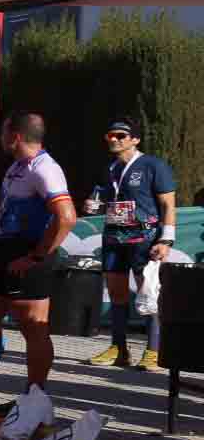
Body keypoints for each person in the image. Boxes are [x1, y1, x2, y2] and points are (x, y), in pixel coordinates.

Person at [0, 111, 77, 410]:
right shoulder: (17, 166)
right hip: (5, 253)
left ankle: (34, 400)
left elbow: (67, 217)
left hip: (30, 254)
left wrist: (36, 257)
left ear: (15, 136)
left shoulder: (45, 168)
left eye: (3, 132)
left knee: (34, 328)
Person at [84, 118, 178, 371]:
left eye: (120, 135)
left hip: (143, 238)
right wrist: (94, 206)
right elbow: (108, 201)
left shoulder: (153, 165)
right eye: (110, 136)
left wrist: (166, 239)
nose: (114, 139)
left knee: (148, 293)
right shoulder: (110, 168)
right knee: (116, 293)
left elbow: (168, 205)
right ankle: (119, 349)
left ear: (135, 139)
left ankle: (154, 351)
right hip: (114, 237)